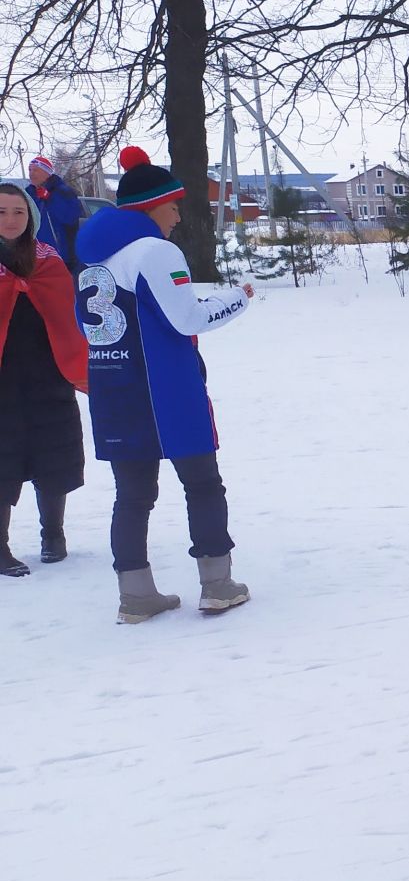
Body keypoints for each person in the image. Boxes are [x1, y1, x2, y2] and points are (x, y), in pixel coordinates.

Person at [75, 147, 254, 623]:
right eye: (174, 204)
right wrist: (237, 299)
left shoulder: (94, 259)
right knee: (202, 482)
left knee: (132, 495)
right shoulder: (156, 250)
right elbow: (186, 318)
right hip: (167, 391)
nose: (178, 214)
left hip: (114, 389)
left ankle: (135, 595)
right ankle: (217, 584)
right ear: (151, 206)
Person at [0, 183, 88, 575]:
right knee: (3, 460)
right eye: (1, 212)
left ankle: (53, 534)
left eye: (18, 211)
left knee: (53, 453)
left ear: (31, 216)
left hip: (47, 373)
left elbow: (66, 315)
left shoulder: (48, 260)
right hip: (3, 379)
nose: (10, 220)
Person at [28, 155, 85, 270]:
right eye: (30, 170)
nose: (31, 173)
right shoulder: (28, 194)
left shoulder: (63, 191)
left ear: (47, 172)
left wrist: (49, 198)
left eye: (35, 170)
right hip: (35, 257)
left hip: (61, 257)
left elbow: (70, 217)